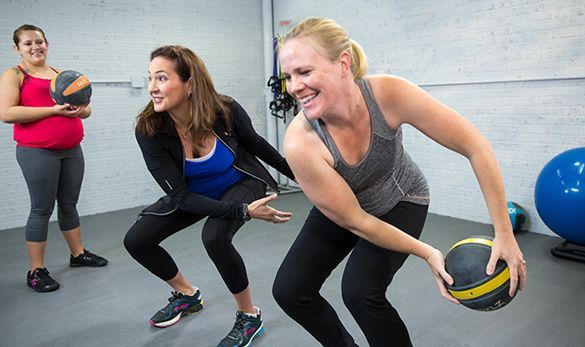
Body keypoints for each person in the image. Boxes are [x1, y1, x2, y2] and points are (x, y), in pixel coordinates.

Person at [272, 17, 527, 347]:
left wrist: (504, 232)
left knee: (360, 292)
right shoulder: (301, 142)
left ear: (343, 63)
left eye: (304, 72)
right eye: (289, 77)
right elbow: (356, 220)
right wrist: (427, 253)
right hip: (349, 207)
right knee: (290, 291)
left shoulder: (388, 94)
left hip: (401, 198)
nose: (293, 86)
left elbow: (474, 146)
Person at [123, 45, 295, 347]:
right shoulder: (149, 128)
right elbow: (180, 195)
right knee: (136, 240)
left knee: (214, 237)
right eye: (149, 78)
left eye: (161, 78)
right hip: (192, 194)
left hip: (238, 182)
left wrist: (305, 177)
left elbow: (256, 145)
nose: (152, 88)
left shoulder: (224, 110)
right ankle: (188, 295)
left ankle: (249, 315)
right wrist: (242, 212)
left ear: (189, 84)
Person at [0, 24, 108, 293]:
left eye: (40, 41)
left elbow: (87, 109)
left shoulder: (61, 74)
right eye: (28, 43)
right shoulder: (15, 74)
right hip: (37, 151)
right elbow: (6, 113)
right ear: (17, 48)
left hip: (72, 149)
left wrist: (81, 110)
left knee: (69, 204)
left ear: (47, 43)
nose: (35, 47)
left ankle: (78, 254)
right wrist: (53, 110)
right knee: (41, 209)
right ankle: (36, 271)